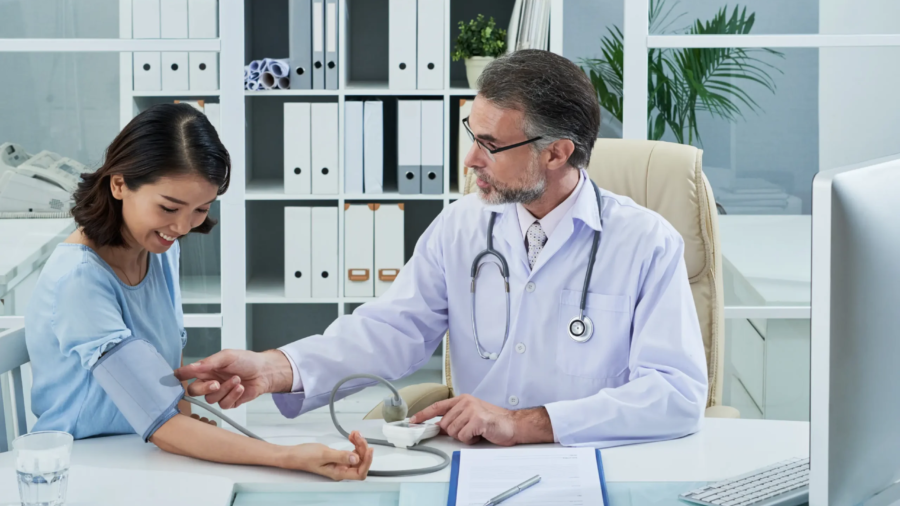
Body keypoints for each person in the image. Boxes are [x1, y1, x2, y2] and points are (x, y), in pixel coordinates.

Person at [177, 50, 709, 448]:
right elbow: (390, 331)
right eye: (471, 134)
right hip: (479, 468)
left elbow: (676, 394)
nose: (470, 160)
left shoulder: (645, 243)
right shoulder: (461, 227)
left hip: (589, 465)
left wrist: (529, 423)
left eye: (492, 145)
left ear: (558, 153)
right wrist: (275, 368)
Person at [25, 103, 373, 480]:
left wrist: (189, 387)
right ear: (119, 183)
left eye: (200, 210)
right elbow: (159, 422)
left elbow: (150, 385)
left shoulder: (159, 251)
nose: (182, 226)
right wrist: (289, 457)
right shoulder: (80, 281)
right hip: (81, 464)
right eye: (169, 207)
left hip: (136, 450)